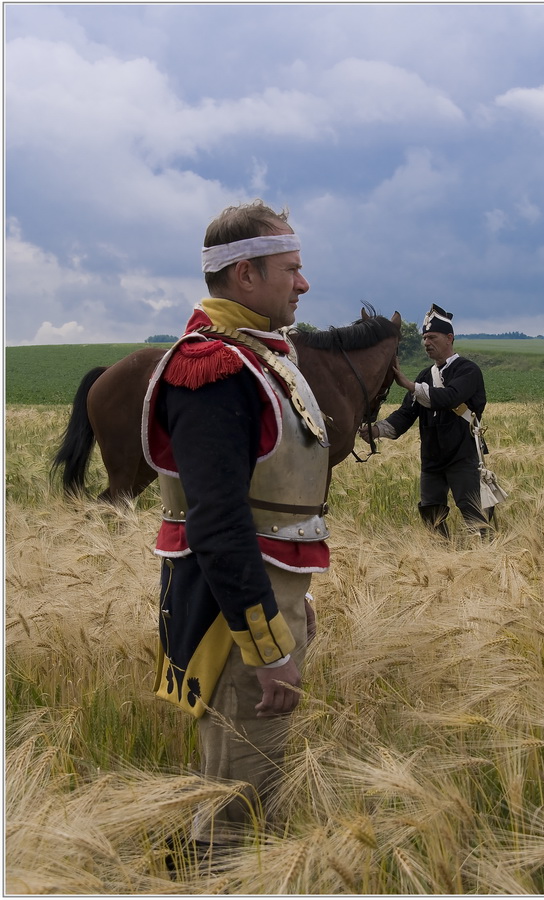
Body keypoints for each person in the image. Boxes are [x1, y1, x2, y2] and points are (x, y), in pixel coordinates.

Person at [141, 200, 330, 860]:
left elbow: (265, 511)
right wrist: (267, 644)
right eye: (291, 268)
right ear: (245, 275)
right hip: (239, 622)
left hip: (263, 603)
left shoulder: (254, 357)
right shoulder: (213, 370)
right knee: (239, 809)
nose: (303, 283)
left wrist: (290, 596)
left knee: (252, 783)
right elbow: (218, 524)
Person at [360, 303, 490, 538]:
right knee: (431, 514)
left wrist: (410, 385)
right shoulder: (424, 376)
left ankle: (488, 558)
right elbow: (407, 413)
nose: (426, 342)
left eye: (432, 337)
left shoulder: (468, 371)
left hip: (462, 454)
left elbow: (448, 397)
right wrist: (377, 430)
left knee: (474, 513)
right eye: (424, 338)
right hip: (432, 458)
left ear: (449, 338)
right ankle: (441, 558)